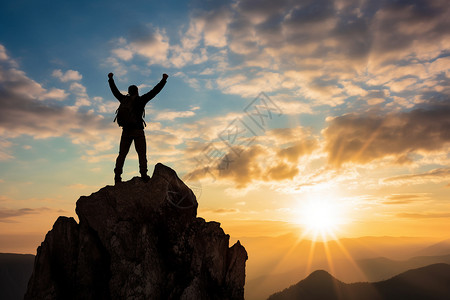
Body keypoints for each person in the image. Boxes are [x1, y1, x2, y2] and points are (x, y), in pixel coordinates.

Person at [108, 72, 168, 184]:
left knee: (122, 154)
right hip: (138, 131)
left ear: (129, 92)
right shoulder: (141, 100)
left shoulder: (123, 99)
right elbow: (155, 91)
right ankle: (144, 175)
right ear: (137, 91)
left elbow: (114, 91)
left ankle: (117, 177)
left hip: (126, 131)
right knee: (141, 154)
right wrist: (163, 80)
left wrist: (111, 79)